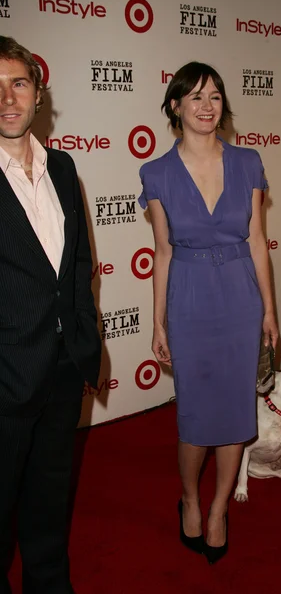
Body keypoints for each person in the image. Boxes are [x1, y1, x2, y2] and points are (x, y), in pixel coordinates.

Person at [139, 61, 278, 564]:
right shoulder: (156, 172)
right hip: (191, 297)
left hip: (241, 295)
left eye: (215, 96)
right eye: (194, 96)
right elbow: (163, 252)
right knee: (196, 412)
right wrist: (158, 321)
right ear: (175, 106)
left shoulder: (249, 161)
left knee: (236, 409)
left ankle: (219, 507)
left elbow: (259, 242)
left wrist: (269, 312)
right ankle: (191, 499)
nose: (206, 106)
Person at [0, 36, 101, 593]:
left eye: (18, 83)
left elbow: (78, 260)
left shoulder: (63, 167)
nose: (6, 98)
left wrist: (82, 333)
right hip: (4, 382)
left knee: (47, 511)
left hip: (62, 371)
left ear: (38, 95)